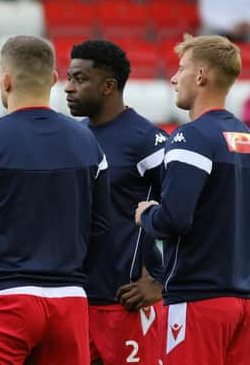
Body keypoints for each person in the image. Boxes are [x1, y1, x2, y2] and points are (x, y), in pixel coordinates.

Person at [0, 35, 111, 363]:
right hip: (70, 302)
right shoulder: (87, 141)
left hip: (5, 298)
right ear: (53, 79)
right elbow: (102, 227)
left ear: (5, 80)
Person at [135, 34, 250, 365]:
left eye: (181, 69)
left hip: (197, 300)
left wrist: (148, 214)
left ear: (201, 75)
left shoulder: (190, 137)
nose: (174, 78)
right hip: (243, 303)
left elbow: (175, 219)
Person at [64, 39, 166, 365]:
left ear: (108, 86)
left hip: (124, 303)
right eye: (68, 77)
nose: (68, 88)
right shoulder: (71, 137)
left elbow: (191, 213)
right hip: (71, 299)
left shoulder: (146, 142)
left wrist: (162, 281)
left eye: (79, 79)